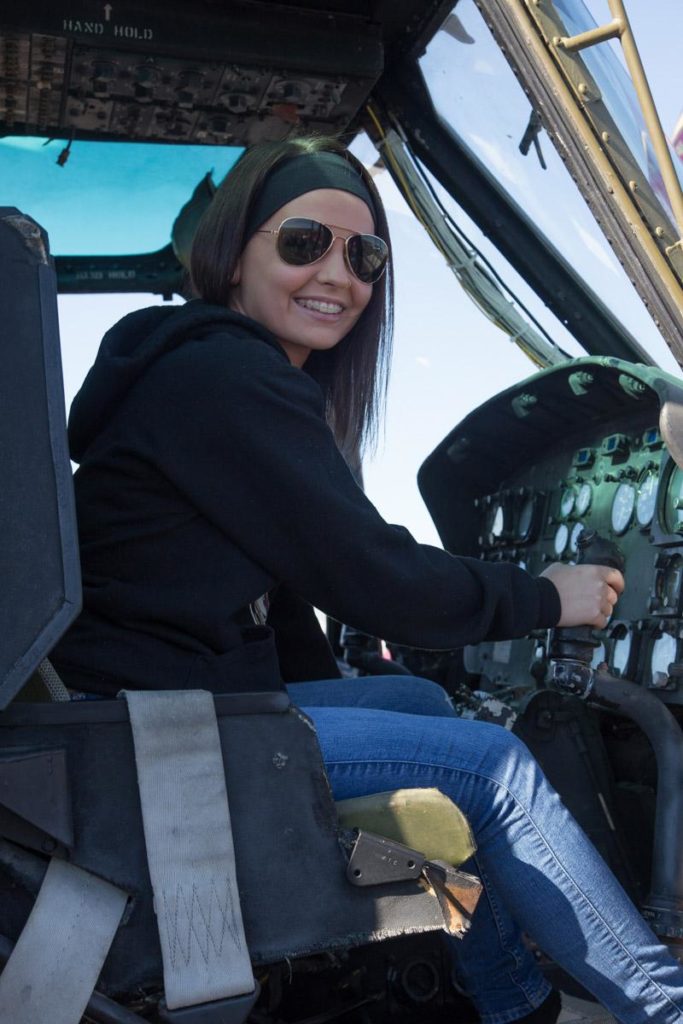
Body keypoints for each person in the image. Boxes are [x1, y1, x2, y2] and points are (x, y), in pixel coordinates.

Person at [52, 135, 683, 1024]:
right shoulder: (222, 374)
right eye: (303, 241)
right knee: (496, 769)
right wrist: (547, 596)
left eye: (365, 255)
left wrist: (360, 677)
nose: (338, 274)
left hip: (148, 706)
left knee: (418, 710)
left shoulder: (205, 375)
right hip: (141, 737)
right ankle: (661, 1005)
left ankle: (513, 1001)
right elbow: (367, 574)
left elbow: (290, 597)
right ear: (236, 253)